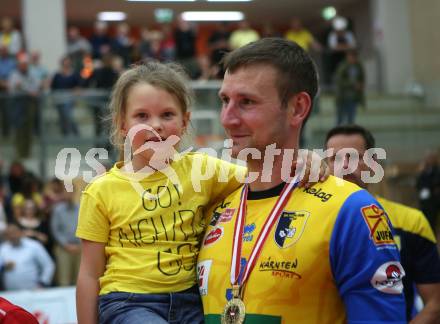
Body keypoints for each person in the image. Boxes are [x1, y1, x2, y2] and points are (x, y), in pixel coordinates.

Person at [75, 59, 328, 324]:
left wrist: (305, 159)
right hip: (128, 303)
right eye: (142, 116)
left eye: (167, 115)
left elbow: (264, 176)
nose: (156, 125)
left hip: (192, 301)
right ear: (122, 125)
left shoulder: (202, 170)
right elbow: (89, 274)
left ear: (185, 122)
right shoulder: (100, 191)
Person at [197, 38, 406, 323]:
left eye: (246, 102)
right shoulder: (213, 206)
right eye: (225, 101)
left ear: (297, 108)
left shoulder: (350, 210)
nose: (227, 118)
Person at [325, 124, 440, 323]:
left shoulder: (411, 222)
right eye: (335, 158)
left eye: (355, 157)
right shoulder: (306, 218)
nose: (345, 165)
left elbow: (435, 304)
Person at [0, 223, 54, 291]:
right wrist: (3, 267)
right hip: (11, 293)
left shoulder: (34, 245)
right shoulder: (3, 249)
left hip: (34, 291)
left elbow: (48, 265)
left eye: (14, 232)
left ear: (21, 232)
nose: (12, 236)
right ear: (6, 236)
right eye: (9, 234)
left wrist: (43, 283)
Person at [334, 50, 365, 125]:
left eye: (354, 57)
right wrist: (353, 84)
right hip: (343, 97)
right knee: (340, 119)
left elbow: (362, 78)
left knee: (351, 119)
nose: (352, 59)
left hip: (353, 97)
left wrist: (360, 86)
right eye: (351, 56)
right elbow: (339, 81)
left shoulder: (358, 66)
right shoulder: (343, 66)